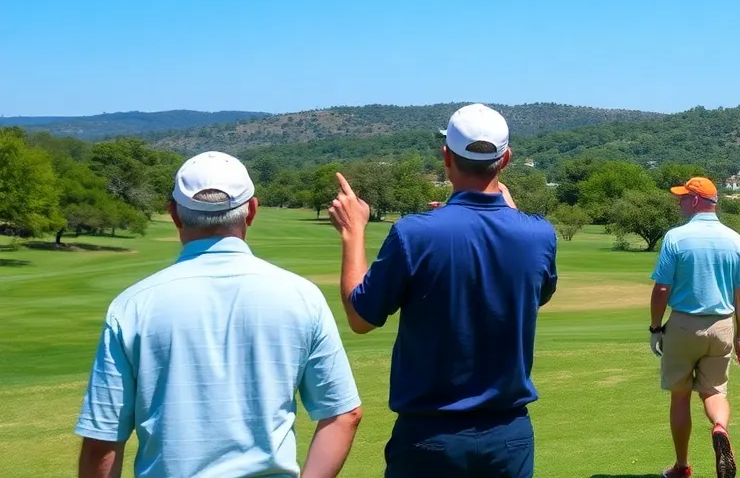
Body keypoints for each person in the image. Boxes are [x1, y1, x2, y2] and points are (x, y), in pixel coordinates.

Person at [74, 151, 363, 478]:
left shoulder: (131, 306)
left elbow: (103, 441)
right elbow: (344, 415)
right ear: (251, 210)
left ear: (174, 214)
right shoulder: (302, 296)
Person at [328, 103, 559, 477]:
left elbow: (360, 317)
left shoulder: (413, 233)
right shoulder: (539, 235)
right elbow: (538, 293)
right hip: (510, 437)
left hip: (430, 437)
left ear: (446, 156)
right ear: (506, 159)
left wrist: (353, 232)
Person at [649, 177, 740, 478]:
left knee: (680, 396)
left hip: (683, 326)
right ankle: (719, 428)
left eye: (682, 197)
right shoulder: (736, 239)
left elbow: (662, 290)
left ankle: (682, 467)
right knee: (714, 392)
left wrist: (656, 328)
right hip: (721, 327)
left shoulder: (675, 238)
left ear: (695, 201)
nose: (679, 201)